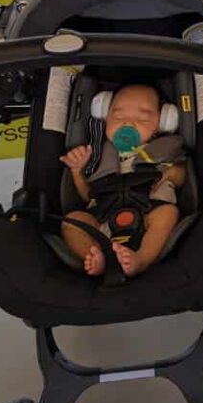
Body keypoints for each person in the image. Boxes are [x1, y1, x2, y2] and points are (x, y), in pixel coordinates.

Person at [61, 83, 187, 278]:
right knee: (72, 221)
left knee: (168, 214)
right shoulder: (97, 154)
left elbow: (181, 178)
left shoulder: (164, 150)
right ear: (105, 116)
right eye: (118, 117)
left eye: (142, 118)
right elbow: (88, 196)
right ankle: (95, 255)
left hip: (149, 214)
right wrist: (77, 170)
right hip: (103, 219)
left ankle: (141, 259)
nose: (127, 124)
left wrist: (171, 174)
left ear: (163, 122)